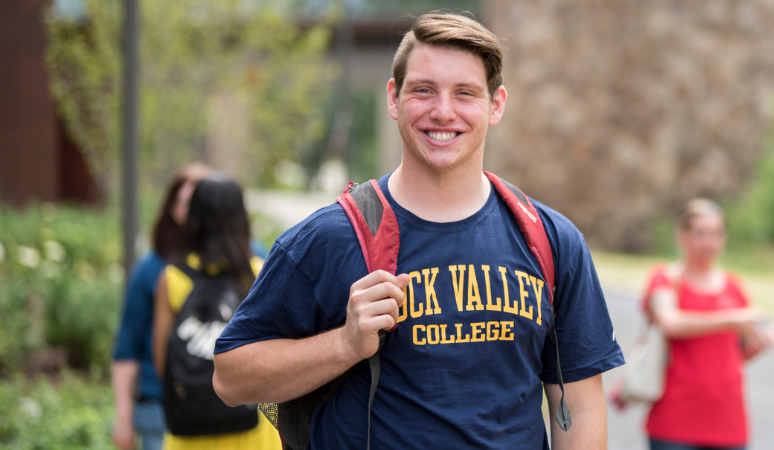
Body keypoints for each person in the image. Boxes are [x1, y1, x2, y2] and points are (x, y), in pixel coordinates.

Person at [212, 12, 625, 450]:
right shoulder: (330, 238)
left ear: (496, 104)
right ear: (393, 98)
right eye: (423, 90)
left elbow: (578, 405)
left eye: (464, 93)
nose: (442, 111)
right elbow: (230, 378)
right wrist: (345, 344)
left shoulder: (551, 240)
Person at [642, 199, 774, 450]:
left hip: (728, 425)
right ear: (682, 235)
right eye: (700, 234)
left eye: (716, 234)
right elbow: (670, 322)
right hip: (674, 424)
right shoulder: (664, 279)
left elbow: (737, 354)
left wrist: (768, 338)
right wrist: (732, 319)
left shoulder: (734, 287)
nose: (709, 243)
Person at [151, 174, 281, 450]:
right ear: (241, 218)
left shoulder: (172, 278)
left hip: (189, 431)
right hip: (252, 431)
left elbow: (164, 362)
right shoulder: (259, 273)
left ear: (193, 218)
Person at [111, 163, 210, 450]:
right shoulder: (151, 268)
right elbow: (127, 347)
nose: (187, 211)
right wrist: (123, 419)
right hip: (160, 406)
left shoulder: (249, 259)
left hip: (227, 407)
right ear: (171, 208)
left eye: (196, 203)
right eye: (180, 203)